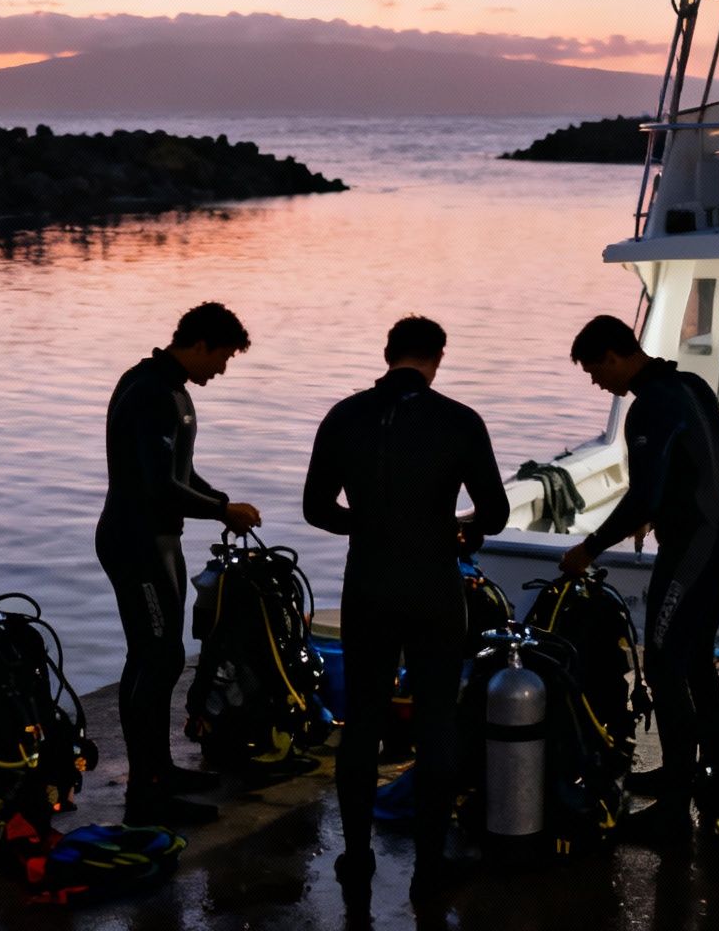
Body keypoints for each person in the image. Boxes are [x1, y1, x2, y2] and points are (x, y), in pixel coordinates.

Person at [303, 316, 509, 904]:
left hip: (367, 581)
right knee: (436, 720)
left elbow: (316, 507)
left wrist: (366, 525)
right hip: (434, 585)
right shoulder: (460, 420)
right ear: (437, 358)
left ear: (387, 353)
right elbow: (491, 513)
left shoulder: (344, 415)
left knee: (363, 722)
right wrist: (453, 531)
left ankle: (356, 855)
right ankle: (427, 867)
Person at [559, 314, 719, 848]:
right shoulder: (689, 385)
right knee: (696, 659)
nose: (599, 384)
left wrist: (588, 549)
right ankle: (710, 775)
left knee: (663, 663)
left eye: (597, 372)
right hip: (718, 536)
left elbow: (641, 495)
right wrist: (672, 500)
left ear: (615, 356)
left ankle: (673, 809)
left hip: (693, 548)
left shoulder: (649, 406)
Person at [97, 301, 262, 826]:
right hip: (136, 540)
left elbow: (180, 475)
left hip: (159, 539)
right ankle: (146, 790)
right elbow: (155, 484)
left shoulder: (171, 391)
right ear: (199, 345)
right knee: (154, 657)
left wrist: (222, 503)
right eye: (222, 358)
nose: (222, 369)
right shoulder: (151, 393)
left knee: (162, 655)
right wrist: (220, 510)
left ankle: (159, 771)